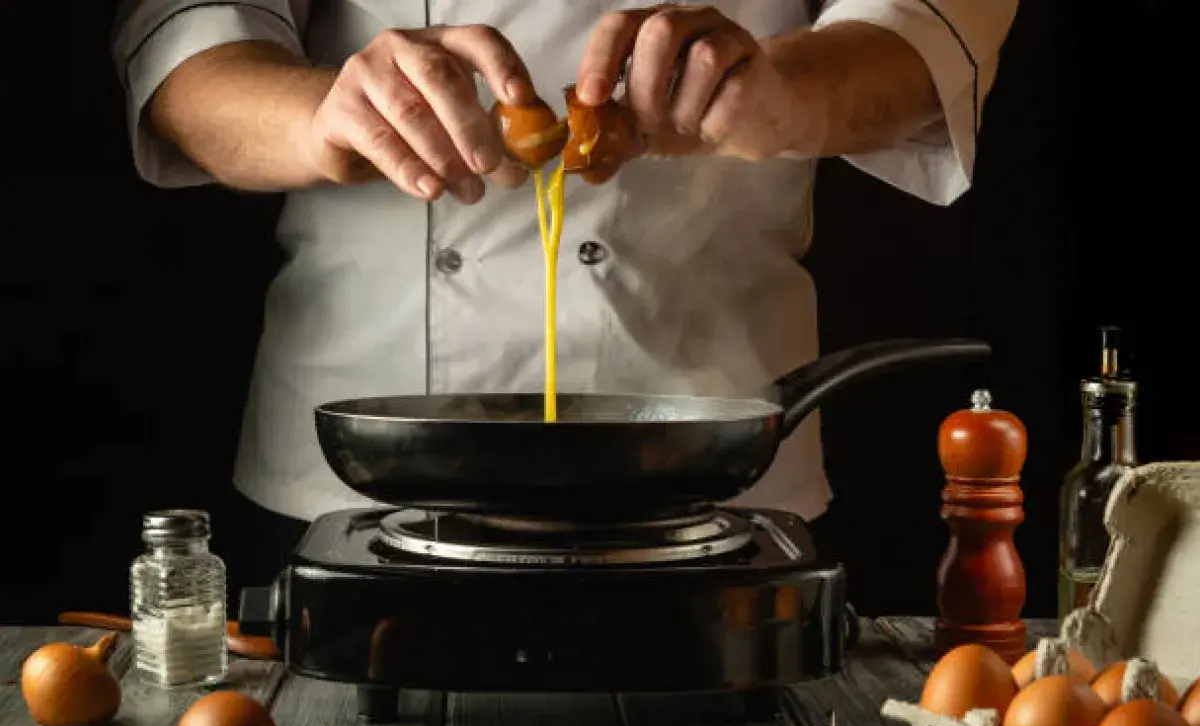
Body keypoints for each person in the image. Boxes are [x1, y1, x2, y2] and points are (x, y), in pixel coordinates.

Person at [112, 1, 1018, 590]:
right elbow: (188, 51)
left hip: (716, 479)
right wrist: (323, 115)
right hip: (350, 486)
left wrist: (790, 92)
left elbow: (928, 33)